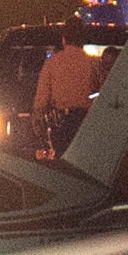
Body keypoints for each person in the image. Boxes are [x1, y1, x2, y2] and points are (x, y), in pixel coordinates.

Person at [27, 20, 110, 155]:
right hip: (86, 123)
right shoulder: (93, 63)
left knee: (63, 160)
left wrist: (37, 121)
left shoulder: (52, 64)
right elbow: (103, 93)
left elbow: (42, 100)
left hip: (62, 123)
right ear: (82, 40)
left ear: (64, 39)